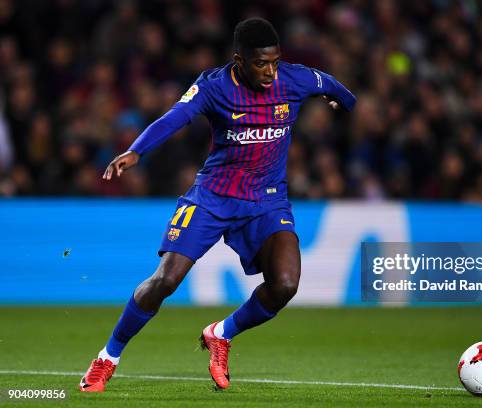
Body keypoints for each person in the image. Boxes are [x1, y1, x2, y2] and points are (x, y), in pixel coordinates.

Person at [79, 17, 356, 392]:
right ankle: (106, 358)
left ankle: (221, 333)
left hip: (267, 201)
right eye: (261, 63)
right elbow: (173, 118)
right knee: (165, 280)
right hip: (213, 197)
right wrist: (135, 150)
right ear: (239, 60)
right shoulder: (214, 86)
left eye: (275, 62)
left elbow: (336, 87)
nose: (271, 71)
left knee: (286, 284)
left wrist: (344, 101)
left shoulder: (295, 78)